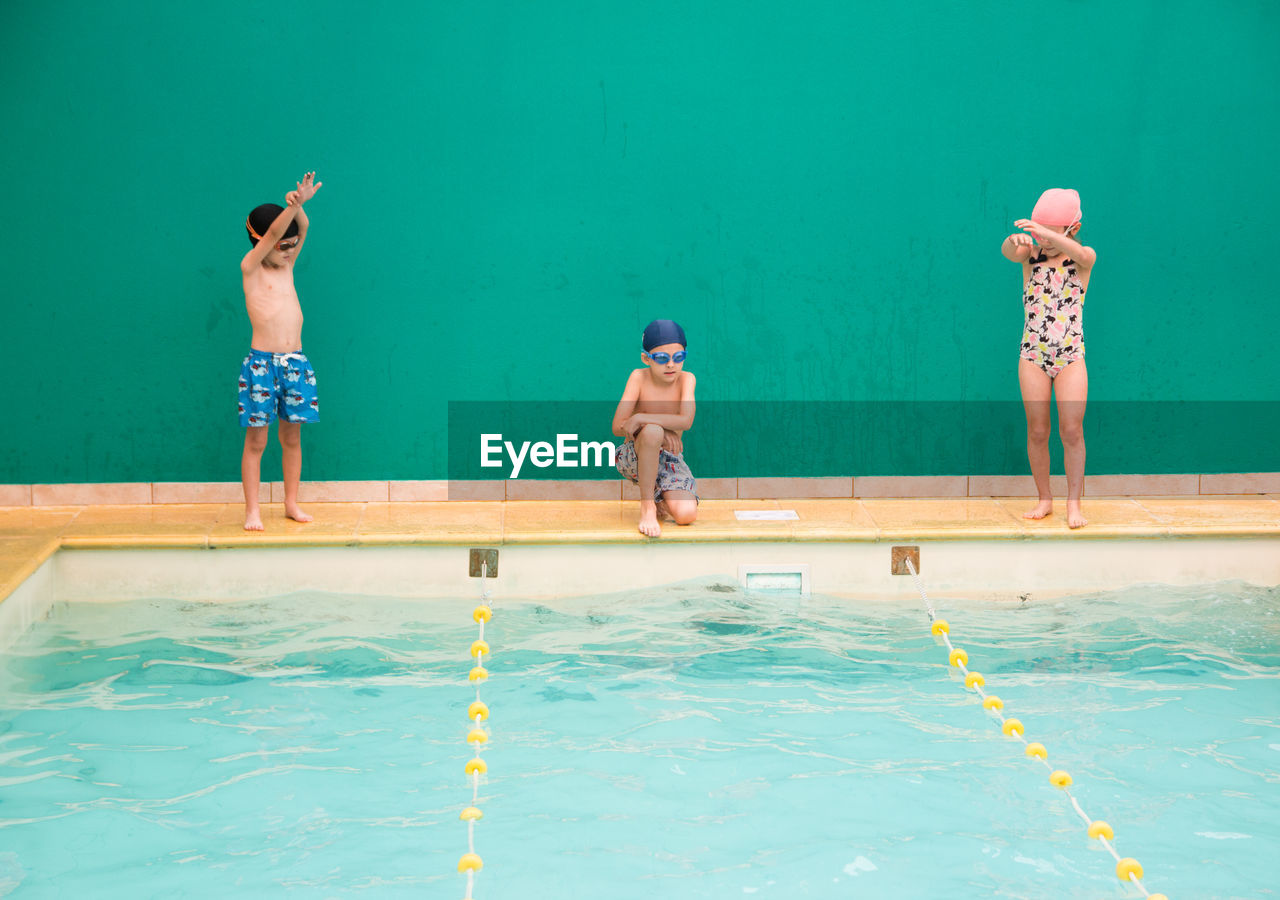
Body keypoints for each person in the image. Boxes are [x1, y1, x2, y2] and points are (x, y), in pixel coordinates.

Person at [1001, 188, 1097, 529]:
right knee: (1038, 430)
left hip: (1070, 356)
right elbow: (1009, 253)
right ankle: (1045, 498)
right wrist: (1018, 241)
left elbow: (1085, 256)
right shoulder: (1032, 257)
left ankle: (1074, 503)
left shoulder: (1082, 259)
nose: (1042, 241)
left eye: (1050, 234)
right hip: (1033, 356)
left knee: (1072, 431)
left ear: (1073, 228)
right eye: (1038, 233)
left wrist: (1049, 235)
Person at [237, 172, 323, 531]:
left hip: (296, 363)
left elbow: (299, 229)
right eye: (282, 246)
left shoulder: (286, 263)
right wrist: (293, 208)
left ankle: (291, 502)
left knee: (292, 438)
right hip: (261, 366)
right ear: (259, 241)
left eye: (292, 247)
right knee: (257, 440)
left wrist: (300, 208)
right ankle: (253, 510)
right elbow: (275, 233)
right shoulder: (251, 267)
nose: (289, 251)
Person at [611, 319, 699, 537]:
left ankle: (661, 500)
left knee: (686, 515)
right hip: (634, 455)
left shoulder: (687, 379)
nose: (671, 364)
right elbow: (618, 427)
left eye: (678, 358)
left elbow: (686, 421)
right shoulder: (638, 378)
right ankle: (647, 505)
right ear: (646, 358)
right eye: (661, 358)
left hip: (670, 459)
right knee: (652, 431)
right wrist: (655, 429)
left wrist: (641, 417)